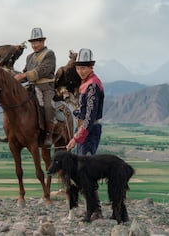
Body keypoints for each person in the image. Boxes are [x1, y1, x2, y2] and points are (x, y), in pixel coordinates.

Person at [65, 48, 104, 219]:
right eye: (78, 68)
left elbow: (89, 117)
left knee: (86, 172)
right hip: (83, 129)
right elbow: (83, 111)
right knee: (83, 172)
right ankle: (93, 209)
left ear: (91, 67)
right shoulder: (85, 83)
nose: (80, 71)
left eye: (84, 68)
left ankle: (96, 211)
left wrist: (76, 138)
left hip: (88, 131)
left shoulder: (93, 85)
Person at [14, 27, 56, 146]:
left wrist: (23, 75)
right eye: (32, 42)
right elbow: (25, 73)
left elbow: (42, 71)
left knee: (48, 106)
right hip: (31, 86)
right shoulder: (29, 57)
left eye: (36, 42)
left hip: (46, 87)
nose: (34, 45)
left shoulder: (49, 54)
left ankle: (49, 134)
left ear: (42, 42)